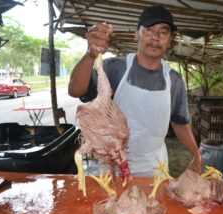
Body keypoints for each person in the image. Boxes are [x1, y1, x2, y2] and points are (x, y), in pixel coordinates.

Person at [69, 5, 202, 176]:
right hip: (114, 167)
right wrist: (90, 55)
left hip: (155, 169)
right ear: (136, 34)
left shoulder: (173, 80)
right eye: (149, 29)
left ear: (169, 41)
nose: (155, 37)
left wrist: (196, 154)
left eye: (163, 32)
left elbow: (180, 123)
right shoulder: (115, 68)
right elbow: (76, 90)